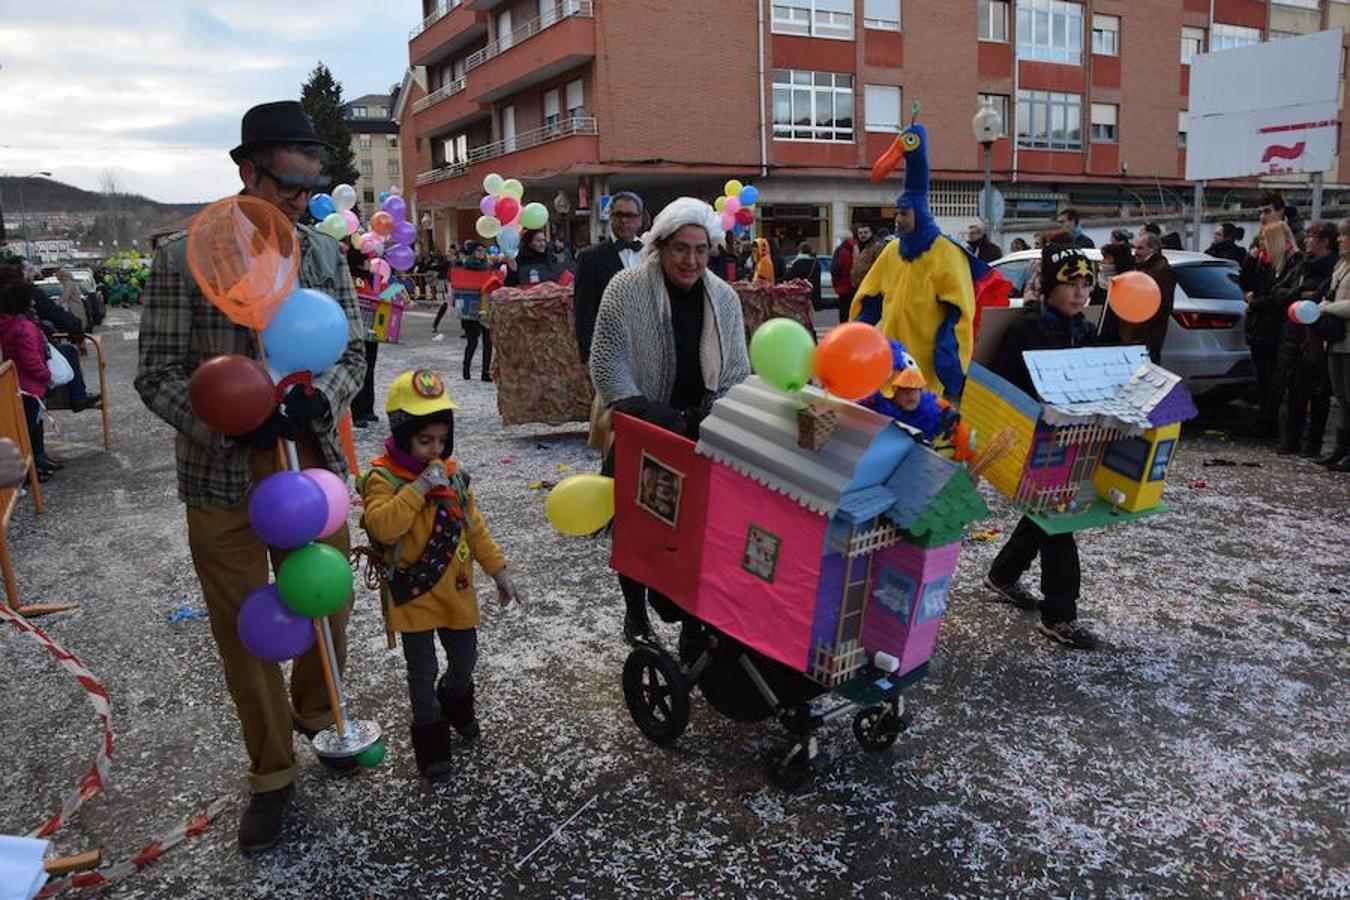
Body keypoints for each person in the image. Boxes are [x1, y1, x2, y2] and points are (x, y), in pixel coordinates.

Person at [134, 100, 366, 853]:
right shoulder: (179, 259)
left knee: (328, 602)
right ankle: (272, 775)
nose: (302, 203)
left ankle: (312, 711)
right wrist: (229, 420)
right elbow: (156, 373)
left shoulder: (326, 256)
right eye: (289, 187)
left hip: (310, 468)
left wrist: (314, 404)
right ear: (246, 171)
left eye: (310, 188)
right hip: (221, 477)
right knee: (246, 635)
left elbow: (354, 353)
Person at [588, 197, 751, 643]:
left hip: (699, 428)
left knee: (696, 529)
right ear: (660, 245)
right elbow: (606, 362)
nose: (691, 259)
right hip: (642, 423)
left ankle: (691, 617)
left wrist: (710, 413)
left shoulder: (725, 297)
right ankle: (635, 612)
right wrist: (645, 410)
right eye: (681, 248)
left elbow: (737, 368)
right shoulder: (625, 288)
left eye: (701, 250)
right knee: (638, 529)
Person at [359, 369, 522, 781]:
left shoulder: (453, 474)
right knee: (422, 673)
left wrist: (499, 571)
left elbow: (474, 526)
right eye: (424, 441)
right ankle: (432, 746)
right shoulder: (382, 477)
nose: (435, 450)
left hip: (457, 592)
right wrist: (416, 489)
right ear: (401, 435)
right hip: (413, 594)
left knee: (465, 660)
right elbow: (383, 526)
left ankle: (456, 702)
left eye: (442, 440)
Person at [984, 245, 1100, 650]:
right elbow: (998, 386)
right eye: (1071, 283)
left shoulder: (1085, 329)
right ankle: (1059, 615)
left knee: (1045, 516)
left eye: (1087, 284)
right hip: (1030, 439)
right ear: (1050, 285)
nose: (1080, 293)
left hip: (1072, 439)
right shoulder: (1025, 329)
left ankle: (1003, 574)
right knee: (1059, 522)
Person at [1271, 220, 1339, 457]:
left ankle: (1313, 444)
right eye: (1307, 235)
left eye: (1312, 236)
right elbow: (1277, 292)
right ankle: (1291, 440)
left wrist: (1302, 300)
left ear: (1325, 241)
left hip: (1316, 337)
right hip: (1292, 336)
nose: (1307, 240)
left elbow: (1320, 300)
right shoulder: (1300, 265)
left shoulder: (1333, 268)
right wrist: (1298, 294)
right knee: (1294, 392)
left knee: (1318, 394)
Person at [1240, 221, 1301, 439]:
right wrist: (1251, 257)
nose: (1262, 243)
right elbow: (1245, 282)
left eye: (1265, 239)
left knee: (1275, 381)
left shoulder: (1291, 263)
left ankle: (1271, 425)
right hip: (1259, 329)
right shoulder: (1264, 263)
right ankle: (1264, 422)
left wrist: (1255, 303)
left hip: (1275, 329)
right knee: (1263, 380)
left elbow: (1279, 297)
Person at [573, 191, 645, 366]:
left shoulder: (652, 254)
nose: (624, 221)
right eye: (619, 215)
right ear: (610, 217)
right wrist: (591, 357)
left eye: (630, 215)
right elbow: (584, 312)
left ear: (640, 219)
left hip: (648, 351)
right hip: (611, 353)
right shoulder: (590, 257)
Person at [0, 279, 54, 480]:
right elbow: (31, 359)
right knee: (28, 432)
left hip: (15, 386)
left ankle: (33, 467)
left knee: (24, 432)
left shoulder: (6, 323)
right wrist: (47, 376)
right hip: (30, 387)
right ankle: (31, 471)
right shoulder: (24, 327)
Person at [1316, 218, 1350, 471]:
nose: (1339, 239)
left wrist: (1328, 308)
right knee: (1340, 397)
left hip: (1348, 341)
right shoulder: (1341, 266)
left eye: (1343, 235)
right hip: (1336, 340)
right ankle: (1340, 449)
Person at [1123, 231, 1176, 363]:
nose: (1135, 252)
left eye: (1140, 248)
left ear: (1153, 249)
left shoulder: (1161, 270)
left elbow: (1162, 305)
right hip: (1138, 334)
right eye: (1135, 248)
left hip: (1147, 335)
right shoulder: (1144, 268)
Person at [451, 241, 498, 381]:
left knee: (488, 341)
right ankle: (466, 370)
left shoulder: (488, 267)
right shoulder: (463, 266)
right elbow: (456, 286)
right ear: (472, 252)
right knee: (472, 342)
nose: (481, 253)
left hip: (485, 307)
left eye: (483, 250)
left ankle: (485, 372)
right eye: (478, 250)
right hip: (469, 308)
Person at [831, 230, 859, 324]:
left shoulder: (840, 250)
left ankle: (844, 329)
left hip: (843, 286)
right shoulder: (857, 247)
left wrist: (835, 282)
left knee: (843, 311)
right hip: (855, 285)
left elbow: (835, 269)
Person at [849, 222, 884, 291]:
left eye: (865, 232)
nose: (863, 235)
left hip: (871, 288)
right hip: (862, 287)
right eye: (860, 233)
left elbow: (880, 267)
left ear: (871, 233)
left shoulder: (877, 246)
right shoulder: (862, 246)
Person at [787, 241, 822, 307]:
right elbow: (817, 282)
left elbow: (789, 277)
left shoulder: (797, 263)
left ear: (800, 250)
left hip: (799, 295)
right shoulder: (816, 264)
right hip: (812, 295)